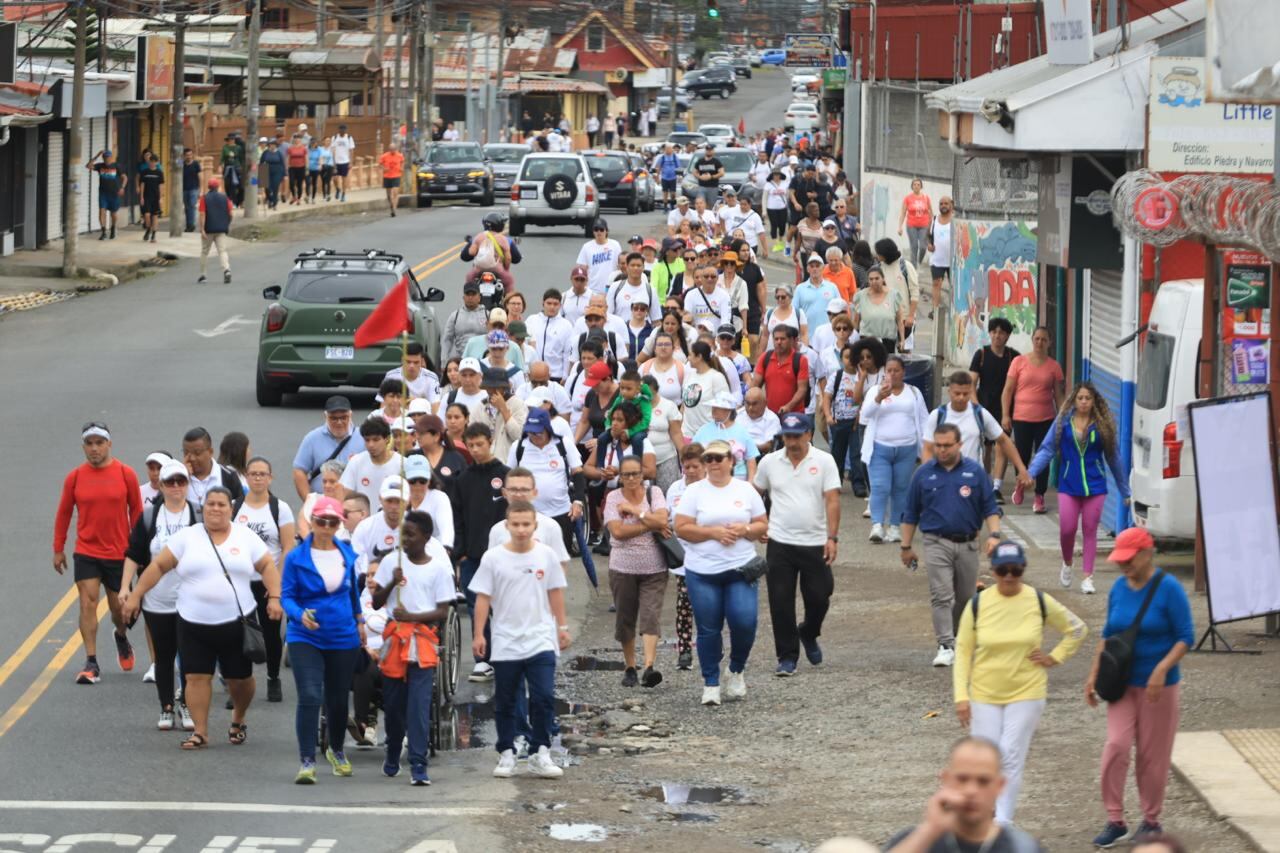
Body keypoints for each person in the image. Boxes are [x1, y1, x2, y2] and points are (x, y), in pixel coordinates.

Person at [122, 486, 281, 750]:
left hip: (236, 621)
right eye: (211, 505)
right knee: (196, 677)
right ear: (203, 508)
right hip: (193, 622)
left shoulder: (245, 537)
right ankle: (201, 731)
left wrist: (275, 597)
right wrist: (137, 593)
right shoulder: (187, 538)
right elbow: (159, 566)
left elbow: (266, 566)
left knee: (240, 680)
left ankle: (238, 719)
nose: (215, 509)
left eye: (221, 505)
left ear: (230, 510)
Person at [954, 540, 1087, 825]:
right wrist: (960, 697)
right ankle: (986, 815)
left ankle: (1002, 823)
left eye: (1016, 569)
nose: (1010, 576)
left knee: (1011, 756)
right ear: (993, 571)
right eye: (1003, 570)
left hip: (1027, 691)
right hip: (984, 693)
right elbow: (963, 650)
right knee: (986, 761)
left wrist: (1054, 657)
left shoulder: (1038, 600)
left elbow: (1077, 630)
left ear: (1024, 568)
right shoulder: (978, 604)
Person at [1086, 528, 1194, 848]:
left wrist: (1162, 669)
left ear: (1147, 553)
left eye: (1129, 559)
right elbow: (1107, 634)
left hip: (1158, 688)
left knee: (1152, 756)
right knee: (1116, 747)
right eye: (1120, 559)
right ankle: (1115, 819)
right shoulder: (1118, 588)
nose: (1123, 565)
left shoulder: (1169, 588)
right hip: (1121, 683)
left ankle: (1150, 820)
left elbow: (1186, 636)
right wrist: (1093, 675)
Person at [470, 500, 571, 780]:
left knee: (543, 697)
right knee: (505, 700)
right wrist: (479, 633)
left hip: (540, 638)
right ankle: (506, 752)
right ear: (507, 525)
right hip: (505, 640)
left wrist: (562, 626)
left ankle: (541, 751)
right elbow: (482, 597)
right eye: (515, 524)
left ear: (535, 525)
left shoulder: (546, 555)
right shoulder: (493, 558)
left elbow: (555, 592)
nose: (521, 529)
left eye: (526, 524)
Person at [899, 424, 1004, 668]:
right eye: (938, 445)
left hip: (968, 543)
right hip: (936, 542)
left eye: (947, 445)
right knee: (941, 595)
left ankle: (957, 636)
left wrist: (995, 535)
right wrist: (906, 547)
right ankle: (945, 645)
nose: (942, 450)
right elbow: (911, 513)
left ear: (959, 445)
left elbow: (989, 507)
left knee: (965, 597)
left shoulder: (975, 473)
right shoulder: (923, 474)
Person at [673, 440, 768, 706]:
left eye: (719, 458)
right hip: (703, 570)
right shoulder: (694, 492)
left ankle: (736, 668)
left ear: (731, 461)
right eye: (709, 459)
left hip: (740, 567)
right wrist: (712, 533)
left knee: (744, 622)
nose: (713, 463)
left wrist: (745, 530)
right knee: (708, 628)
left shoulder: (746, 490)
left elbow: (762, 524)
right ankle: (711, 682)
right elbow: (681, 527)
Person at [280, 496, 363, 783]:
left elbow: (352, 593)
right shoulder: (296, 557)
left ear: (339, 524)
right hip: (306, 635)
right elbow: (287, 596)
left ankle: (337, 751)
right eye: (320, 521)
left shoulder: (346, 555)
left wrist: (360, 620)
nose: (326, 527)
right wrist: (299, 614)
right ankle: (306, 760)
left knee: (338, 700)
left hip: (342, 635)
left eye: (332, 522)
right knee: (311, 695)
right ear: (312, 522)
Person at [369, 510, 455, 786]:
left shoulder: (438, 569)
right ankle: (393, 749)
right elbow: (377, 602)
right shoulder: (390, 563)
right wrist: (393, 580)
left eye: (411, 534)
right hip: (395, 641)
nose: (404, 539)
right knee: (394, 706)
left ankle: (419, 764)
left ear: (426, 537)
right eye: (402, 533)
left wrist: (414, 618)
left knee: (418, 707)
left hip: (422, 642)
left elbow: (443, 611)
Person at [54, 421, 143, 685]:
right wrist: (58, 548)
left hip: (119, 553)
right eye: (89, 444)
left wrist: (138, 553)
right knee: (87, 602)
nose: (94, 449)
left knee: (119, 609)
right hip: (87, 551)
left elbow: (137, 513)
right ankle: (91, 661)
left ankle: (121, 635)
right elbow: (64, 513)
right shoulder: (75, 477)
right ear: (84, 447)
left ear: (109, 445)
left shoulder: (126, 474)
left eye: (99, 443)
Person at [754, 413, 840, 677]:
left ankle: (809, 631)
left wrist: (832, 537)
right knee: (780, 601)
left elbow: (832, 500)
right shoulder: (770, 462)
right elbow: (756, 493)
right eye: (787, 436)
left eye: (796, 435)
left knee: (820, 595)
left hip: (814, 541)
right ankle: (787, 656)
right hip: (780, 542)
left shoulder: (824, 461)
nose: (791, 441)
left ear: (808, 434)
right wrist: (761, 521)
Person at [1026, 382, 1129, 595]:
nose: (1083, 402)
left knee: (1090, 530)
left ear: (1094, 402)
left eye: (1088, 398)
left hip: (1095, 486)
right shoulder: (1063, 423)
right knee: (1067, 529)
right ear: (1074, 400)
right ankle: (1067, 562)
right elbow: (1047, 450)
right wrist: (1031, 472)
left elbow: (1114, 458)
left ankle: (1087, 577)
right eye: (1080, 398)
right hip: (1069, 485)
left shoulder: (1102, 426)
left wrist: (1125, 490)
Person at [121, 459, 199, 729]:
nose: (176, 487)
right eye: (170, 482)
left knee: (189, 657)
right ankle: (166, 707)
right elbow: (133, 554)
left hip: (191, 601)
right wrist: (125, 589)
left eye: (181, 481)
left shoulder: (197, 515)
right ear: (162, 486)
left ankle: (187, 706)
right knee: (164, 656)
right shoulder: (150, 516)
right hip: (157, 601)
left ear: (187, 485)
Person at [885, 737, 1045, 852]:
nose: (971, 790)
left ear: (1000, 786)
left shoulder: (1022, 848)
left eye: (983, 781)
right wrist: (930, 831)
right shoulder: (912, 842)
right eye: (962, 779)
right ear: (945, 780)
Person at [603, 456, 671, 689]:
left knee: (651, 615)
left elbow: (663, 519)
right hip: (623, 567)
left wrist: (636, 512)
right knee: (625, 619)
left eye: (635, 474)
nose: (631, 479)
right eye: (626, 474)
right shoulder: (612, 497)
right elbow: (618, 532)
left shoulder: (655, 493)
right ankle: (630, 666)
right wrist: (650, 524)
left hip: (655, 567)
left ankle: (649, 666)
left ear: (643, 474)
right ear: (620, 477)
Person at [234, 457, 296, 703]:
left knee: (270, 633)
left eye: (263, 474)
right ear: (246, 477)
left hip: (267, 579)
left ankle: (273, 678)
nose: (258, 478)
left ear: (270, 478)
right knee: (240, 634)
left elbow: (288, 546)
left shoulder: (279, 508)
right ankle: (240, 682)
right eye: (253, 473)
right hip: (240, 581)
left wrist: (276, 584)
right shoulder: (235, 506)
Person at [455, 423, 510, 682]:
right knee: (477, 605)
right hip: (473, 556)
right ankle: (483, 659)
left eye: (480, 444)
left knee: (502, 606)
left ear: (490, 441)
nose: (475, 450)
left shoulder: (506, 475)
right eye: (471, 445)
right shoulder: (463, 479)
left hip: (503, 556)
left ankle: (505, 654)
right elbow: (458, 518)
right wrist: (461, 552)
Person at [923, 374, 1032, 499]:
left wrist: (1021, 468)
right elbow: (927, 448)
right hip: (944, 479)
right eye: (957, 393)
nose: (961, 398)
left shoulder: (979, 414)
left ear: (971, 391)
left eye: (965, 394)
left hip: (973, 480)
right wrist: (929, 475)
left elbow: (1004, 440)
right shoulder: (937, 415)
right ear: (949, 392)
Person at [1001, 327, 1065, 513]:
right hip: (1021, 418)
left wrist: (1061, 417)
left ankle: (1039, 495)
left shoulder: (1054, 366)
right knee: (1021, 456)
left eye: (1043, 340)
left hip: (1046, 418)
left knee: (1043, 457)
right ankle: (1020, 485)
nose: (1039, 343)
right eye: (1037, 339)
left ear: (1049, 343)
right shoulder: (1018, 362)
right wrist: (1006, 414)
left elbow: (1058, 395)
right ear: (1032, 340)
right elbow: (1008, 391)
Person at [970, 317, 1020, 501]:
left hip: (1005, 408)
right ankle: (985, 482)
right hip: (984, 406)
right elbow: (972, 383)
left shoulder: (1013, 357)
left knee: (1002, 445)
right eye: (994, 332)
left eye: (1002, 333)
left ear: (1007, 336)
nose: (997, 336)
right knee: (986, 448)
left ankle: (996, 487)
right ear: (989, 333)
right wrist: (976, 407)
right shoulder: (981, 354)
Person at [292, 396, 367, 499]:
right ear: (326, 416)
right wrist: (309, 501)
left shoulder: (364, 438)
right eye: (334, 418)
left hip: (354, 505)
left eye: (343, 417)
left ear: (350, 415)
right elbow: (299, 471)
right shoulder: (312, 439)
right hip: (323, 503)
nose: (339, 422)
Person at [692, 392, 759, 481]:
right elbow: (693, 455)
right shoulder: (703, 430)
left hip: (738, 479)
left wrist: (750, 485)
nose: (713, 409)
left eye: (718, 407)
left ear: (728, 410)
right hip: (708, 478)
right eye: (713, 406)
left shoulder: (742, 431)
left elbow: (751, 461)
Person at [339, 418, 402, 507]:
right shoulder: (356, 462)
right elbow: (345, 495)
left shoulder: (402, 463)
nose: (371, 445)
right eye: (367, 440)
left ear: (387, 439)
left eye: (376, 440)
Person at [874, 239, 920, 350]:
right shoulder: (879, 268)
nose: (877, 256)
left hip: (905, 318)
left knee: (904, 352)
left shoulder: (905, 266)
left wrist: (911, 316)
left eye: (879, 253)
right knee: (887, 352)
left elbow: (914, 293)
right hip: (885, 319)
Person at [754, 326, 810, 416]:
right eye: (776, 339)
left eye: (782, 339)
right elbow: (755, 385)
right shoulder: (765, 358)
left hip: (794, 415)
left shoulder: (800, 360)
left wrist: (789, 406)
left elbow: (802, 389)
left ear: (791, 340)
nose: (779, 342)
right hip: (770, 415)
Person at [681, 341, 733, 438]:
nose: (688, 358)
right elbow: (684, 405)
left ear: (699, 357)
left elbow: (726, 407)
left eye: (690, 355)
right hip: (687, 434)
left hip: (709, 435)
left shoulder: (716, 377)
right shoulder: (689, 375)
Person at [297, 460, 348, 540]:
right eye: (324, 481)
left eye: (332, 481)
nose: (327, 485)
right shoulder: (313, 499)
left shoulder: (352, 505)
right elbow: (303, 528)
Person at [197, 176, 234, 285]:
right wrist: (227, 223)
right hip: (221, 229)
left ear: (208, 187)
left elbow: (202, 214)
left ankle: (203, 275)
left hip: (208, 229)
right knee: (222, 251)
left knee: (204, 252)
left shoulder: (204, 198)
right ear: (218, 187)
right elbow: (231, 214)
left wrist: (202, 229)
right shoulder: (225, 198)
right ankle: (226, 270)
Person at [86, 149, 126, 240]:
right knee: (102, 210)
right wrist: (97, 155)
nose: (106, 159)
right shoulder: (100, 166)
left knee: (113, 213)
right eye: (104, 157)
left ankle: (113, 227)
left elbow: (125, 177)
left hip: (114, 193)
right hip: (103, 192)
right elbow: (88, 166)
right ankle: (103, 231)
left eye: (108, 157)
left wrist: (122, 187)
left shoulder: (117, 166)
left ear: (111, 157)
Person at [926, 196, 955, 319]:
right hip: (937, 260)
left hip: (953, 261)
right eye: (941, 203)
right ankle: (935, 309)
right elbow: (928, 235)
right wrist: (929, 245)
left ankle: (955, 310)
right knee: (936, 284)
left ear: (951, 205)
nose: (943, 206)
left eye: (946, 203)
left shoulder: (955, 220)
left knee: (953, 285)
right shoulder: (933, 220)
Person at [577, 219, 623, 295]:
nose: (599, 232)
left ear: (606, 231)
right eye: (596, 229)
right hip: (592, 289)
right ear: (593, 231)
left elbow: (620, 265)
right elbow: (581, 269)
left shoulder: (615, 245)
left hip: (611, 287)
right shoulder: (587, 247)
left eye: (601, 229)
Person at [897, 177, 933, 268]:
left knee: (923, 247)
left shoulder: (926, 198)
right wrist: (900, 227)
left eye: (918, 185)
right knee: (914, 247)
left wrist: (932, 225)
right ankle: (913, 268)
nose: (916, 186)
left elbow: (931, 213)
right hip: (911, 225)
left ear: (921, 186)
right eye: (914, 184)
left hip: (924, 225)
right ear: (912, 186)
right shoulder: (908, 198)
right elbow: (903, 212)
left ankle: (918, 262)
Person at [761, 284, 808, 352]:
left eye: (783, 297)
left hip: (792, 355)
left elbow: (804, 335)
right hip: (772, 355)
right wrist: (761, 354)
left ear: (790, 297)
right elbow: (765, 336)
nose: (780, 299)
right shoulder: (770, 313)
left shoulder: (799, 313)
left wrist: (804, 352)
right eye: (777, 297)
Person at [138, 153, 164, 243]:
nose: (152, 163)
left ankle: (153, 235)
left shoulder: (159, 173)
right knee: (147, 215)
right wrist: (141, 197)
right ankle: (148, 229)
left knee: (155, 216)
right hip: (146, 197)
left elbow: (161, 186)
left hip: (156, 197)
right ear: (149, 162)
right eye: (151, 162)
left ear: (157, 162)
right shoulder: (144, 172)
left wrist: (161, 198)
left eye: (154, 162)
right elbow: (142, 185)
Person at [379, 142, 404, 217]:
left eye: (393, 149)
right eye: (391, 149)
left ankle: (394, 209)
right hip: (387, 176)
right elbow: (380, 164)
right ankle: (391, 206)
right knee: (389, 195)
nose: (392, 151)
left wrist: (401, 168)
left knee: (395, 192)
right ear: (389, 149)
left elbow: (402, 162)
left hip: (396, 175)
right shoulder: (384, 156)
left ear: (396, 149)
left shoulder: (400, 155)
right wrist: (384, 169)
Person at [331, 124, 355, 201]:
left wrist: (351, 162)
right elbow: (333, 150)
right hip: (336, 161)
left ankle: (343, 194)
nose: (342, 132)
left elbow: (351, 150)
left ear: (345, 130)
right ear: (338, 130)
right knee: (335, 178)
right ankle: (338, 189)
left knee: (344, 179)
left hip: (345, 161)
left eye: (344, 130)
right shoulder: (335, 138)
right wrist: (333, 162)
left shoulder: (349, 138)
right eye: (341, 130)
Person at [259, 140, 286, 209]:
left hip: (277, 171)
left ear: (276, 146)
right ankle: (270, 199)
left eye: (274, 145)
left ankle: (274, 203)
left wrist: (284, 173)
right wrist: (261, 172)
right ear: (269, 145)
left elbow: (282, 163)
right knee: (267, 188)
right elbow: (261, 162)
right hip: (266, 170)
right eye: (271, 144)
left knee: (275, 186)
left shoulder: (279, 153)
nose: (272, 146)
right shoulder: (266, 152)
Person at [180, 148, 202, 233]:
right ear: (184, 156)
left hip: (194, 189)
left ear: (192, 155)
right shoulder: (181, 164)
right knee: (187, 207)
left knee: (192, 206)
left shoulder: (196, 164)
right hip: (184, 189)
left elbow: (200, 177)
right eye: (187, 155)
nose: (189, 156)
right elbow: (175, 168)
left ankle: (191, 225)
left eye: (190, 155)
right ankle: (188, 225)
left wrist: (201, 190)